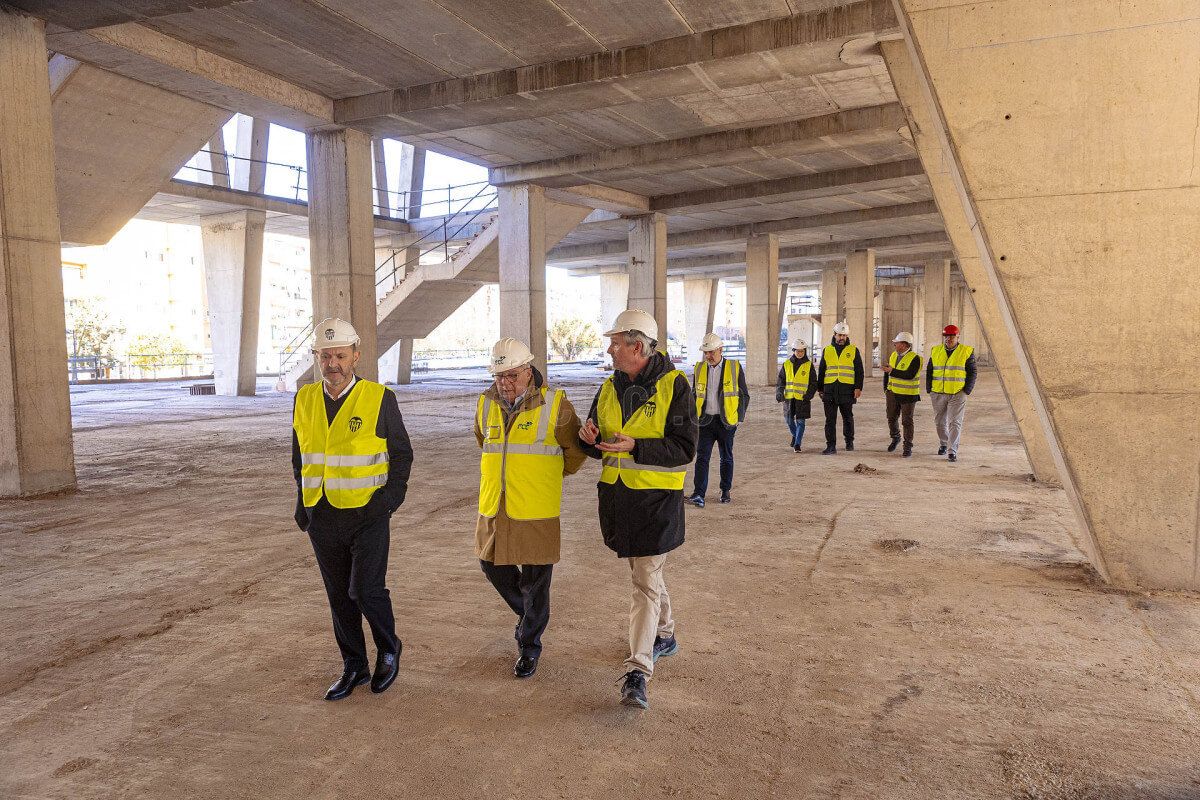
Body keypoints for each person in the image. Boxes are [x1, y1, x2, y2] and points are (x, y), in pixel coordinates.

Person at [578, 309, 697, 710]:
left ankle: (638, 670)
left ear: (638, 347)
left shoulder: (674, 385)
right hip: (619, 501)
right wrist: (589, 437)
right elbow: (596, 442)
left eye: (616, 343)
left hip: (656, 503)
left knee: (644, 581)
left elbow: (684, 449)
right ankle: (665, 634)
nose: (609, 349)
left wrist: (637, 447)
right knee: (645, 573)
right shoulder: (609, 387)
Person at [292, 318, 414, 701]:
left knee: (365, 590)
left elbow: (402, 455)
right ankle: (354, 665)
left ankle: (389, 648)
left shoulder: (379, 398)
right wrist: (303, 501)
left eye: (340, 355)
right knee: (339, 597)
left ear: (355, 357)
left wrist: (387, 502)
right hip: (322, 514)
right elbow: (300, 454)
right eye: (325, 355)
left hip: (367, 513)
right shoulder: (304, 398)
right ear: (317, 357)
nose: (333, 363)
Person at [474, 338, 586, 679]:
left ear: (528, 371)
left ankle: (529, 645)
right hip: (496, 504)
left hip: (536, 506)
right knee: (489, 563)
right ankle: (530, 614)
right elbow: (483, 440)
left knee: (536, 581)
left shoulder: (556, 405)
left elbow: (576, 451)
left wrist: (548, 476)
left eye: (511, 375)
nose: (504, 383)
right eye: (498, 376)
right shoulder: (485, 403)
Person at [687, 332, 749, 507]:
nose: (708, 356)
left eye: (711, 352)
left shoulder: (734, 367)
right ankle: (699, 493)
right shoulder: (699, 368)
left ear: (721, 349)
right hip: (705, 421)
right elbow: (694, 394)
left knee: (726, 457)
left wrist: (738, 417)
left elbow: (744, 395)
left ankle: (725, 490)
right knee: (702, 458)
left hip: (726, 421)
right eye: (706, 352)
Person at [926, 324, 977, 462]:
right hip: (938, 392)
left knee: (955, 422)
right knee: (939, 422)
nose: (949, 339)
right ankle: (944, 442)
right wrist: (929, 389)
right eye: (946, 336)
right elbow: (930, 371)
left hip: (957, 393)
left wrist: (966, 390)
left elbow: (972, 372)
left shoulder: (966, 351)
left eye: (952, 336)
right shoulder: (936, 350)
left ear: (958, 336)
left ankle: (951, 451)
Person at [816, 321, 864, 455]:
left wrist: (858, 387)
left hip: (847, 390)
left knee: (848, 417)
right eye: (839, 335)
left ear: (847, 336)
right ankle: (831, 446)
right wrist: (820, 389)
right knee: (830, 420)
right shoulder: (827, 350)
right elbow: (822, 371)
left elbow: (859, 371)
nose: (841, 338)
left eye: (844, 335)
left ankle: (849, 441)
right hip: (830, 390)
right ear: (834, 335)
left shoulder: (853, 350)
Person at [882, 331, 921, 457]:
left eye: (896, 343)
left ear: (904, 345)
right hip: (892, 393)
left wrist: (892, 371)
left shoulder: (915, 358)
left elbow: (909, 375)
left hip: (908, 395)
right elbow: (887, 373)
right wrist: (886, 389)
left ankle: (907, 447)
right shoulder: (893, 355)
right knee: (891, 417)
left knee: (907, 421)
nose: (894, 345)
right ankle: (895, 437)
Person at [776, 339, 818, 452]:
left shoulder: (809, 365)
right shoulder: (787, 364)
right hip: (789, 398)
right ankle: (795, 436)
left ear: (805, 351)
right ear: (793, 351)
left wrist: (809, 395)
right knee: (789, 420)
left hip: (802, 398)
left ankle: (797, 444)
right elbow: (781, 381)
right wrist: (779, 392)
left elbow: (814, 382)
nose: (800, 353)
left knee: (801, 422)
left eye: (802, 351)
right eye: (798, 351)